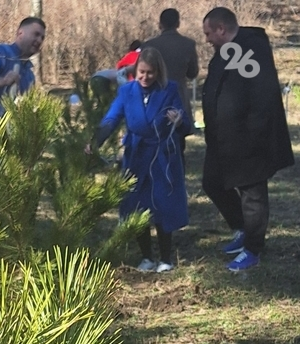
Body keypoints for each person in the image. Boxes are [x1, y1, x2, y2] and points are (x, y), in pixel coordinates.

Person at [200, 7, 294, 271]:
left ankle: (253, 249)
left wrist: (253, 135)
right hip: (222, 139)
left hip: (249, 141)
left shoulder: (250, 50)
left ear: (221, 28)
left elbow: (262, 96)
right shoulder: (226, 52)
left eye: (209, 33)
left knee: (252, 195)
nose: (206, 39)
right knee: (212, 182)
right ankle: (241, 228)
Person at [86, 47, 191, 273]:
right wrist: (96, 141)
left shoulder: (169, 89)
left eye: (150, 73)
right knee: (138, 204)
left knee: (162, 204)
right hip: (136, 156)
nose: (145, 77)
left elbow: (186, 123)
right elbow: (112, 118)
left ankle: (165, 258)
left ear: (158, 72)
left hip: (161, 157)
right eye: (142, 72)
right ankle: (146, 257)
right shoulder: (127, 92)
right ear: (136, 70)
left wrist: (178, 121)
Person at [143, 8, 199, 166]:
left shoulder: (149, 45)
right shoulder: (188, 44)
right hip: (178, 99)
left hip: (154, 99)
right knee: (178, 145)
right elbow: (192, 73)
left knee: (152, 145)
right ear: (178, 23)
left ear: (160, 24)